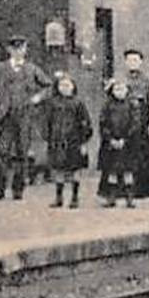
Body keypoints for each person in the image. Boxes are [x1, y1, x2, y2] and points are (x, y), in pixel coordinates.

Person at [0, 36, 51, 200]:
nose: (19, 51)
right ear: (9, 50)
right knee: (2, 152)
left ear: (25, 50)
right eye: (15, 48)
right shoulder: (0, 69)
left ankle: (18, 190)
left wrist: (37, 98)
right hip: (5, 117)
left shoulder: (32, 69)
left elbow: (49, 86)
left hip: (25, 116)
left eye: (22, 48)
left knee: (22, 152)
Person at [43, 73, 93, 209]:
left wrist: (84, 141)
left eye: (67, 85)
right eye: (61, 85)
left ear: (73, 87)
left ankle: (74, 198)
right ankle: (58, 198)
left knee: (75, 169)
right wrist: (47, 137)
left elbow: (86, 123)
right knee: (58, 169)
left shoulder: (78, 103)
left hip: (74, 141)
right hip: (57, 141)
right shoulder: (53, 103)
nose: (64, 88)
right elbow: (47, 121)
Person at [121, 50, 149, 199]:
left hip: (143, 118)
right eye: (130, 60)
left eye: (136, 60)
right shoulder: (121, 79)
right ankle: (126, 189)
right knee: (126, 155)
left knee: (145, 154)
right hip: (126, 119)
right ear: (125, 62)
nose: (133, 63)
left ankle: (147, 189)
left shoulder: (147, 80)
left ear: (141, 62)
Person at [98, 77, 138, 208]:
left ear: (127, 90)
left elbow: (135, 123)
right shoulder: (107, 106)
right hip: (111, 145)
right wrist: (110, 139)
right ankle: (111, 197)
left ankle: (130, 198)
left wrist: (125, 139)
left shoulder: (132, 105)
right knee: (112, 171)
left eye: (122, 89)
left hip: (128, 144)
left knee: (128, 171)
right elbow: (103, 123)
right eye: (116, 89)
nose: (119, 91)